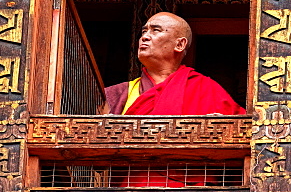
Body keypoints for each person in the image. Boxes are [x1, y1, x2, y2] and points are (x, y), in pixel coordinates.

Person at [105, 12, 246, 116]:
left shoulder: (205, 89)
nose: (144, 37)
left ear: (180, 44)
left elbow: (244, 128)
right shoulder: (117, 94)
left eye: (156, 30)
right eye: (144, 31)